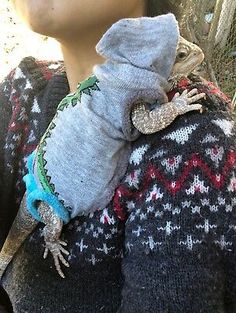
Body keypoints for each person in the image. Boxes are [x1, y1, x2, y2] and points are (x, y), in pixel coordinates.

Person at [0, 1, 235, 313]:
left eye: (178, 55)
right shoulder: (21, 89)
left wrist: (177, 106)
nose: (187, 58)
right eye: (177, 55)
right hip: (43, 205)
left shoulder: (197, 148)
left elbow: (143, 121)